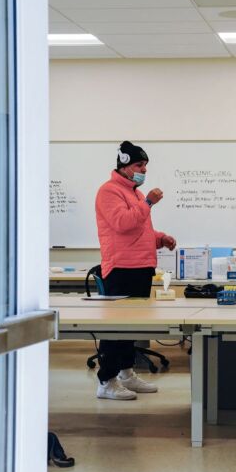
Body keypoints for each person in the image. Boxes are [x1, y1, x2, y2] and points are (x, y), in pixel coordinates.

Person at [93, 141, 177, 400]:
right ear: (125, 165)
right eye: (140, 165)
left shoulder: (135, 194)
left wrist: (159, 238)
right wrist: (149, 203)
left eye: (145, 166)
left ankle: (126, 374)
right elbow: (123, 224)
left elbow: (140, 231)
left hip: (141, 266)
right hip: (121, 268)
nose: (144, 170)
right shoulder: (109, 192)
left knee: (131, 326)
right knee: (116, 328)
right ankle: (106, 381)